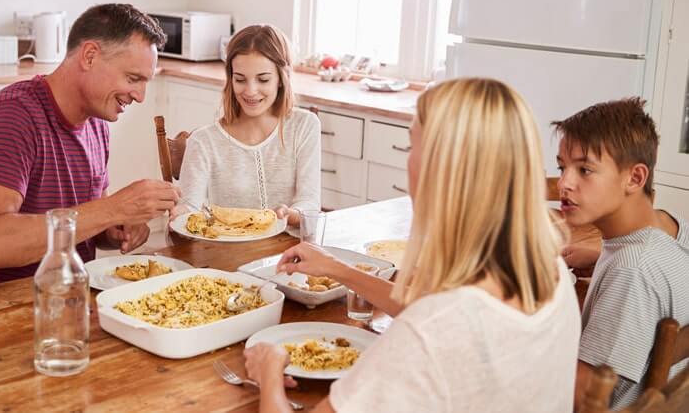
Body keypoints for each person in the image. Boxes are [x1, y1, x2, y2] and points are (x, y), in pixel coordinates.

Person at [243, 78, 581, 413]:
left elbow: (433, 325)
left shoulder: (430, 334)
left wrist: (269, 372)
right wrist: (337, 269)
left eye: (412, 146)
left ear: (439, 169)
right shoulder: (552, 274)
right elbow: (433, 311)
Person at [0, 3, 180, 285]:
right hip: (10, 311)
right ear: (89, 56)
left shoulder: (97, 123)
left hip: (73, 297)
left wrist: (113, 226)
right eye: (133, 78)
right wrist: (112, 208)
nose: (140, 96)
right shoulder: (15, 115)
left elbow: (82, 219)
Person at [552, 98, 689, 410]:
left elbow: (581, 401)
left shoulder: (632, 270)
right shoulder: (672, 229)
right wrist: (603, 255)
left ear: (635, 178)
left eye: (584, 169)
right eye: (562, 167)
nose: (564, 183)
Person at [177, 25, 320, 227]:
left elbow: (310, 203)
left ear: (281, 78)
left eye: (263, 79)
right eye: (240, 79)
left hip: (291, 253)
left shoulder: (304, 126)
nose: (250, 91)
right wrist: (179, 212)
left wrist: (292, 214)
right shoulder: (203, 141)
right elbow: (189, 209)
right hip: (229, 254)